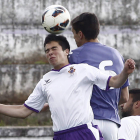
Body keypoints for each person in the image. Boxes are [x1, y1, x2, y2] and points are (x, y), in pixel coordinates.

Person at [0, 34, 135, 140]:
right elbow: (23, 111)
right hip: (60, 136)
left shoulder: (84, 70)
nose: (50, 53)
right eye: (47, 51)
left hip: (84, 133)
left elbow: (115, 82)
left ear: (66, 51)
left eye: (54, 49)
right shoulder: (45, 80)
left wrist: (125, 72)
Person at [69, 12, 130, 140]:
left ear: (80, 34)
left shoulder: (73, 56)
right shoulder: (117, 55)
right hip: (112, 125)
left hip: (87, 123)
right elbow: (125, 97)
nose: (74, 38)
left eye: (73, 34)